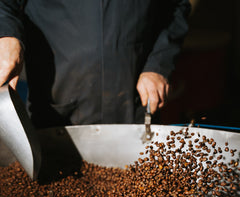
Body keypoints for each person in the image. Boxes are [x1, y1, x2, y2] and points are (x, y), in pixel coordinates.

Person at [0, 0, 191, 128]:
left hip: (134, 108)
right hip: (57, 111)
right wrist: (7, 34)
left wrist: (158, 65)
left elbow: (176, 7)